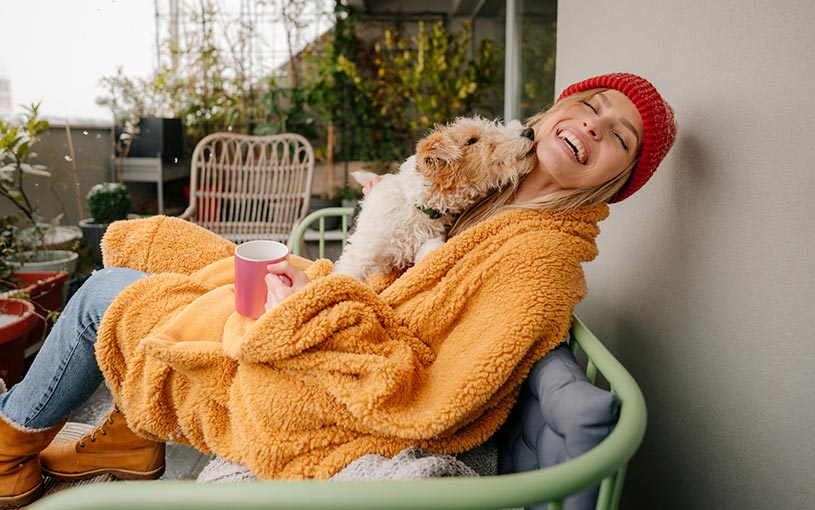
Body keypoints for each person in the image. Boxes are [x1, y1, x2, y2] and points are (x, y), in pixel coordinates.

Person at [0, 72, 676, 508]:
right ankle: (126, 438)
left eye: (619, 136)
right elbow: (400, 281)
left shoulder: (540, 259)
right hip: (339, 330)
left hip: (337, 392)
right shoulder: (490, 197)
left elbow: (438, 393)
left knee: (105, 295)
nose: (594, 124)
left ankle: (9, 449)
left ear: (615, 179)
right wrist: (326, 283)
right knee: (155, 242)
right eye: (591, 105)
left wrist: (316, 305)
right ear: (558, 108)